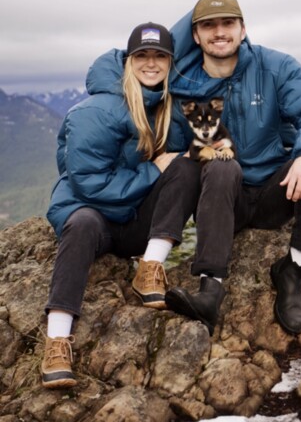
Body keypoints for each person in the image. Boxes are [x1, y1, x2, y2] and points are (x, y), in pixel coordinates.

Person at [165, 0, 301, 337]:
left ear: (243, 29)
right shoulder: (184, 86)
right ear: (195, 35)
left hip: (274, 195)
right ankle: (210, 289)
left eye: (228, 23)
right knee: (220, 164)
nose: (219, 32)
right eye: (208, 25)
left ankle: (293, 267)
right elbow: (175, 151)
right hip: (220, 203)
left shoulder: (275, 67)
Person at [42, 22, 200, 389]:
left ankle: (150, 267)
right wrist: (151, 171)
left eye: (159, 56)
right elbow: (88, 184)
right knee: (81, 224)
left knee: (187, 166)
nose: (150, 63)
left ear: (170, 62)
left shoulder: (169, 108)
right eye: (141, 55)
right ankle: (56, 341)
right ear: (128, 62)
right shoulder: (94, 112)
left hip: (135, 221)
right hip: (93, 215)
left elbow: (196, 148)